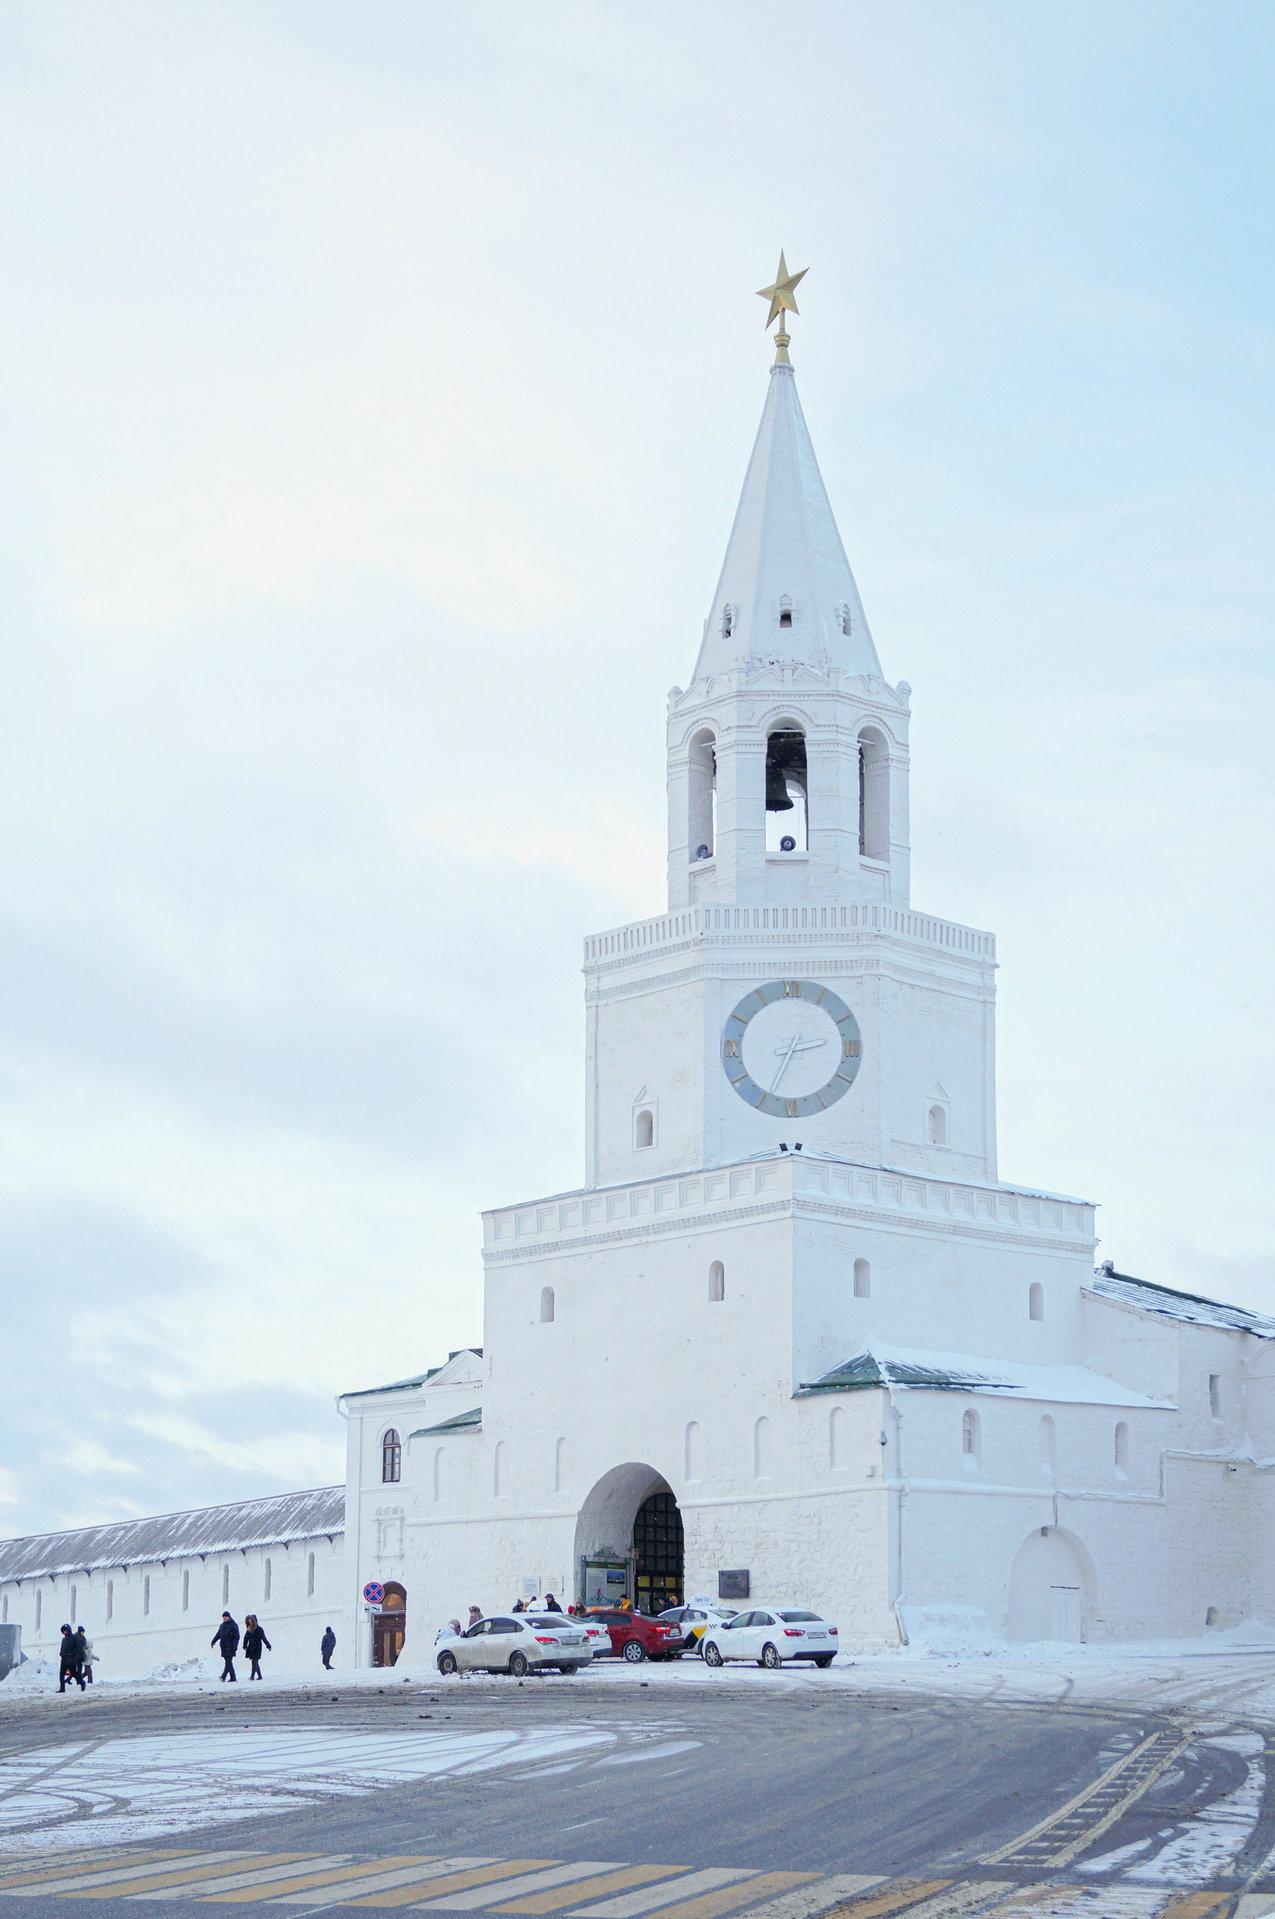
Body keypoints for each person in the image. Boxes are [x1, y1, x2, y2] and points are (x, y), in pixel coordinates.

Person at [211, 1611, 240, 1682]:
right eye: (223, 1617)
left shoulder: (234, 1625)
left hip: (230, 1647)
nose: (224, 1618)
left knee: (228, 1662)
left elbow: (237, 1637)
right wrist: (213, 1641)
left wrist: (235, 1647)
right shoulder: (222, 1626)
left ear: (229, 1617)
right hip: (223, 1647)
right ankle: (233, 1678)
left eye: (225, 1616)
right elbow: (218, 1635)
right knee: (228, 1662)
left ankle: (223, 1677)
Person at [242, 1614, 271, 1681]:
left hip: (257, 1648)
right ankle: (260, 1676)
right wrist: (244, 1646)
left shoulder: (259, 1629)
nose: (250, 1622)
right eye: (249, 1621)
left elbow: (264, 1638)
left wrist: (268, 1645)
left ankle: (252, 1676)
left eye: (251, 1621)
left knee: (254, 1662)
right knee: (255, 1662)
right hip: (251, 1648)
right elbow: (246, 1638)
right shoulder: (249, 1629)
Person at [57, 1623, 84, 1694]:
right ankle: (62, 1688)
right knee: (61, 1674)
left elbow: (78, 1648)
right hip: (64, 1660)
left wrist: (74, 1657)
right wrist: (61, 1653)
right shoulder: (63, 1639)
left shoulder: (74, 1638)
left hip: (71, 1660)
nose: (64, 1632)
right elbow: (62, 1648)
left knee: (74, 1674)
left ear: (69, 1630)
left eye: (65, 1631)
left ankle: (82, 1683)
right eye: (63, 1631)